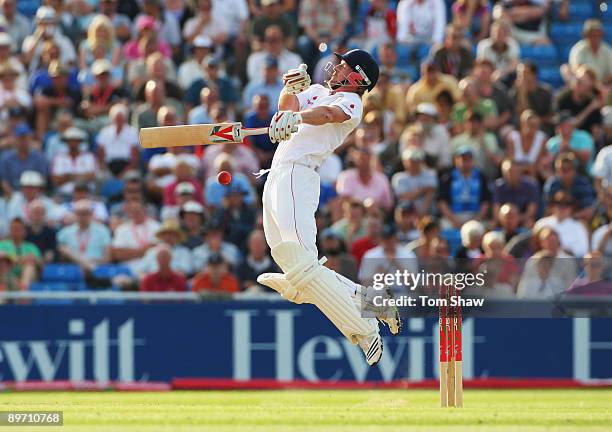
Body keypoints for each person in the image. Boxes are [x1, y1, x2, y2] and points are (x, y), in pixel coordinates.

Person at [256, 49, 399, 366]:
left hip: (298, 175)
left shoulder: (352, 103)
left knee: (303, 267)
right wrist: (289, 91)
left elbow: (326, 116)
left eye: (344, 66)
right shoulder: (319, 92)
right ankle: (373, 301)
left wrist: (296, 117)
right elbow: (286, 112)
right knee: (290, 261)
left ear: (357, 78)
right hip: (277, 175)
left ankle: (364, 329)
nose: (335, 68)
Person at [438, 147, 491, 229]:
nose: (465, 162)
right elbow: (442, 202)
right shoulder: (448, 178)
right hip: (454, 216)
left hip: (475, 215)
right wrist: (454, 220)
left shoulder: (481, 177)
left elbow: (485, 201)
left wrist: (477, 218)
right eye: (462, 159)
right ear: (455, 160)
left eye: (468, 159)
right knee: (444, 226)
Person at [56, 199, 112, 273]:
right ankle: (89, 266)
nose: (82, 217)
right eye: (79, 213)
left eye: (85, 213)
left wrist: (88, 261)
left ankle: (89, 267)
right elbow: (60, 258)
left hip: (98, 267)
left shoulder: (103, 231)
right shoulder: (65, 232)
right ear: (74, 214)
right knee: (64, 249)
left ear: (91, 214)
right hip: (73, 270)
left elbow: (108, 257)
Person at [534, 192, 590, 258]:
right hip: (543, 261)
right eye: (559, 203)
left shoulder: (579, 226)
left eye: (567, 204)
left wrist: (563, 250)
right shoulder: (541, 223)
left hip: (568, 263)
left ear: (571, 207)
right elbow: (533, 246)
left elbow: (583, 251)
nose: (562, 207)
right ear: (552, 206)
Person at [0, 217, 41, 289]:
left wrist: (12, 260)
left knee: (30, 266)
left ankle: (23, 289)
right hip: (6, 277)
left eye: (18, 229)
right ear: (10, 230)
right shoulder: (2, 245)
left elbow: (39, 263)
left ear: (24, 231)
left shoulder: (31, 247)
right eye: (13, 229)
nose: (16, 232)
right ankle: (21, 290)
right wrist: (22, 259)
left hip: (27, 279)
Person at [568, 20, 612, 84]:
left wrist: (600, 84)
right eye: (592, 35)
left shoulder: (607, 50)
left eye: (598, 35)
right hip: (584, 83)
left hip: (603, 85)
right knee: (565, 69)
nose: (595, 38)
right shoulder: (579, 49)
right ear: (586, 36)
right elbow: (575, 69)